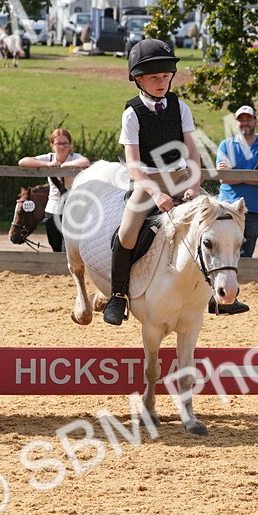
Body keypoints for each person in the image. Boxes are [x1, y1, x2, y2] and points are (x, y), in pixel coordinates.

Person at [104, 39, 208, 325]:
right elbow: (134, 167)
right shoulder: (132, 114)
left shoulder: (181, 107)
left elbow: (192, 151)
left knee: (213, 220)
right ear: (139, 79)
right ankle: (117, 296)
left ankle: (215, 293)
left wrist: (195, 184)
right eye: (154, 78)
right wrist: (157, 194)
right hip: (147, 180)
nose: (161, 82)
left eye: (165, 76)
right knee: (126, 233)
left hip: (180, 175)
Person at [216, 104, 258, 258]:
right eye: (241, 120)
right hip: (226, 206)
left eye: (248, 119)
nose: (245, 123)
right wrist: (256, 175)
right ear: (236, 123)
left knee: (245, 254)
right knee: (223, 254)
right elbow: (223, 178)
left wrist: (235, 175)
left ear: (256, 121)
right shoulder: (225, 145)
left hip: (253, 208)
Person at [18, 127, 90, 252]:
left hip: (73, 208)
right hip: (53, 207)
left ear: (70, 144)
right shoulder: (49, 158)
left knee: (70, 245)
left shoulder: (74, 157)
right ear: (52, 145)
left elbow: (85, 162)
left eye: (65, 143)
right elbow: (23, 161)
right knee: (54, 242)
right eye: (58, 143)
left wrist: (63, 166)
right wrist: (47, 165)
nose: (62, 147)